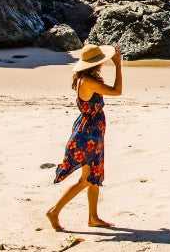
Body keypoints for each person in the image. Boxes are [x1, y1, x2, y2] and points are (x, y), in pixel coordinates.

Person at [47, 44, 123, 231]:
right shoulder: (89, 82)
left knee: (94, 176)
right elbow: (117, 91)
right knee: (87, 179)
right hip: (88, 135)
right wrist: (119, 66)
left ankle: (93, 217)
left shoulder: (84, 78)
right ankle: (54, 211)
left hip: (90, 131)